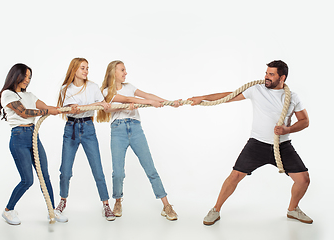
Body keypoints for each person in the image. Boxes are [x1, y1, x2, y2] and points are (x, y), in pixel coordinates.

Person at [188, 60, 312, 225]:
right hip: (257, 144)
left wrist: (287, 130)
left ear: (282, 77)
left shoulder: (292, 97)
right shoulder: (257, 90)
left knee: (303, 180)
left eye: (271, 74)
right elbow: (228, 96)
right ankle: (215, 210)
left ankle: (292, 209)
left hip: (283, 146)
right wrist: (202, 98)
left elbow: (304, 121)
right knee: (235, 176)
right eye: (266, 73)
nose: (266, 77)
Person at [97, 60, 180, 221]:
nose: (125, 73)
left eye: (125, 70)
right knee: (118, 172)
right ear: (114, 72)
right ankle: (118, 201)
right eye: (122, 70)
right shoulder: (106, 91)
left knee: (150, 169)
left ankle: (166, 205)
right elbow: (126, 101)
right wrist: (149, 103)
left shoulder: (130, 87)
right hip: (118, 130)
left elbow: (147, 95)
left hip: (135, 129)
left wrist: (167, 102)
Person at [0, 63, 67, 225]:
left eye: (29, 77)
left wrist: (67, 109)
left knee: (44, 176)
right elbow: (24, 113)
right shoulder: (7, 94)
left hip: (33, 136)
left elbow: (47, 107)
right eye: (25, 76)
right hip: (18, 138)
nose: (27, 80)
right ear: (15, 76)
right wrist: (48, 111)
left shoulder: (30, 95)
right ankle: (8, 211)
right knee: (27, 180)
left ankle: (51, 210)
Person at [55, 58, 115, 221]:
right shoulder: (65, 89)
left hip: (88, 128)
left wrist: (103, 105)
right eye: (83, 68)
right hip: (71, 129)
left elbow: (100, 103)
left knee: (97, 168)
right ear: (74, 69)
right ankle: (62, 201)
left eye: (87, 68)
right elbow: (68, 108)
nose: (86, 71)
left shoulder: (93, 87)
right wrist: (72, 108)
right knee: (65, 171)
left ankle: (106, 205)